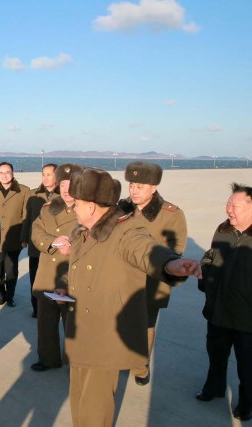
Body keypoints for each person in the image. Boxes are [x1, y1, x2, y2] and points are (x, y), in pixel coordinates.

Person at [62, 167, 201, 427]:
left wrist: (172, 264)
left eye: (76, 203)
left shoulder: (124, 231)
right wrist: (63, 288)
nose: (72, 209)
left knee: (94, 408)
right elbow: (78, 271)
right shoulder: (85, 231)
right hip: (81, 331)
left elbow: (146, 249)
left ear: (92, 206)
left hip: (103, 335)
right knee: (79, 399)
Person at [119, 161, 187, 385]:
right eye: (131, 185)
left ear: (153, 187)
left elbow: (175, 251)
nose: (134, 191)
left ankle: (140, 367)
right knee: (119, 322)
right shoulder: (121, 209)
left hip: (149, 282)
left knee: (145, 326)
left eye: (139, 186)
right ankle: (121, 358)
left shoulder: (171, 214)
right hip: (119, 279)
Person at [196, 183, 252, 421]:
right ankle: (214, 388)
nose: (229, 209)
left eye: (234, 205)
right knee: (215, 353)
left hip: (246, 316)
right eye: (228, 204)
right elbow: (210, 255)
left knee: (247, 364)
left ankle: (247, 403)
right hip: (218, 309)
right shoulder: (223, 230)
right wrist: (204, 270)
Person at [30, 163, 82, 372]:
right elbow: (36, 231)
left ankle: (75, 361)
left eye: (71, 184)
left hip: (72, 274)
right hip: (47, 274)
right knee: (46, 322)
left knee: (73, 323)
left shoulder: (88, 210)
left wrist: (73, 246)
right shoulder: (47, 208)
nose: (66, 189)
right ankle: (48, 358)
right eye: (63, 184)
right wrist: (53, 242)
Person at [0, 162, 30, 307]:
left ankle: (10, 296)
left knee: (11, 270)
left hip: (14, 238)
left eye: (8, 172)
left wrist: (24, 238)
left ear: (13, 173)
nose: (5, 175)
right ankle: (0, 294)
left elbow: (26, 217)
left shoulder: (23, 190)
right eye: (1, 173)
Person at [22, 163, 58, 317]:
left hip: (56, 247)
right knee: (35, 279)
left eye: (49, 174)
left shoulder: (65, 195)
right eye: (43, 174)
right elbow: (27, 218)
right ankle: (36, 308)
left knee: (54, 280)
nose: (45, 177)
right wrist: (24, 238)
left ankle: (54, 307)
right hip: (36, 245)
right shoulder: (33, 194)